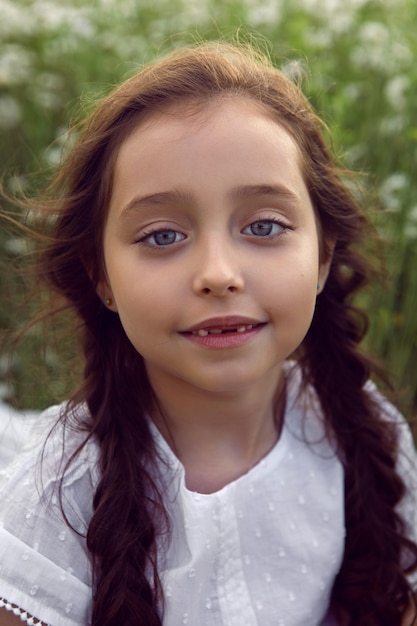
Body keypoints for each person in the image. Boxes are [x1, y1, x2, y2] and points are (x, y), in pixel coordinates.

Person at [0, 40, 416, 626]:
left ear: (322, 256)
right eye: (163, 236)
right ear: (102, 278)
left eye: (265, 225)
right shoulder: (58, 493)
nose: (218, 274)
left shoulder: (366, 434)